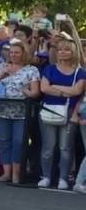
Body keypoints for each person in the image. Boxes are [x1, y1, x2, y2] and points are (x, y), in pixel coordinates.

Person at [0, 39, 40, 185]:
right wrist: (3, 74)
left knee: (19, 142)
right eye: (12, 52)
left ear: (23, 54)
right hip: (2, 112)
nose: (13, 55)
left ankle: (17, 173)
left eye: (17, 52)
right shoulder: (2, 67)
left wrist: (26, 92)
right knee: (4, 142)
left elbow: (35, 92)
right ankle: (6, 173)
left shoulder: (31, 70)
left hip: (22, 113)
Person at [38, 34, 85, 189]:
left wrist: (55, 87)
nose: (62, 52)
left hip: (70, 111)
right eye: (60, 50)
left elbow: (77, 91)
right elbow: (44, 88)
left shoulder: (80, 72)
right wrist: (65, 92)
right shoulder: (49, 69)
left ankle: (63, 178)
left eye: (66, 50)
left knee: (65, 147)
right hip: (48, 109)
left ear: (73, 52)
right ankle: (46, 176)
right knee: (48, 147)